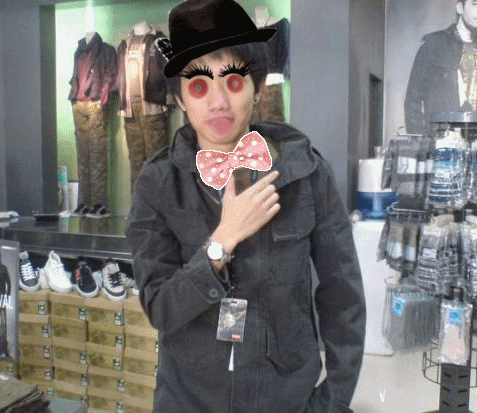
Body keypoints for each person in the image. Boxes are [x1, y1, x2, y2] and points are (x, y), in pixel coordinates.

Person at [125, 0, 366, 412]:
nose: (218, 101)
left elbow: (343, 296)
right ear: (180, 99)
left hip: (286, 398)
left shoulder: (305, 171)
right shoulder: (157, 183)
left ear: (256, 86)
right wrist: (222, 241)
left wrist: (333, 401)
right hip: (189, 400)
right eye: (199, 86)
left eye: (234, 82)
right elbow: (161, 308)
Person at [404, 0, 477, 134]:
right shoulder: (433, 45)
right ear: (460, 8)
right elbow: (413, 100)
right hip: (441, 138)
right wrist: (419, 140)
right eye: (476, 3)